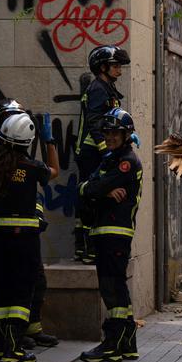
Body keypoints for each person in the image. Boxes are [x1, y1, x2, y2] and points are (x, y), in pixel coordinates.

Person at [0, 112, 59, 362]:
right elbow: (53, 171)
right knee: (21, 294)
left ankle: (1, 347)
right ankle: (14, 348)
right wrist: (50, 142)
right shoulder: (33, 168)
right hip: (24, 244)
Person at [78, 107, 142, 362]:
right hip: (106, 232)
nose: (111, 136)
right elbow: (86, 187)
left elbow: (94, 187)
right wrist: (97, 191)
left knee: (111, 287)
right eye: (107, 132)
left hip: (114, 232)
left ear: (127, 134)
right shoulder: (110, 159)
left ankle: (112, 344)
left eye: (116, 132)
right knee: (117, 288)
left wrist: (95, 190)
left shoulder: (126, 161)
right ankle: (126, 343)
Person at [74, 45, 130, 264]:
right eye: (115, 66)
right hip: (91, 151)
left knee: (93, 195)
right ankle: (88, 250)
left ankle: (84, 248)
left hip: (96, 151)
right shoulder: (98, 88)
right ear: (102, 66)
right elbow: (95, 121)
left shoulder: (107, 88)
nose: (120, 70)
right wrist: (105, 150)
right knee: (90, 195)